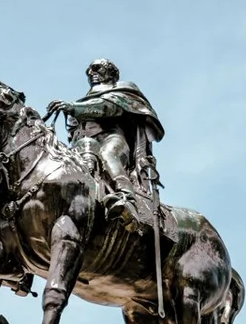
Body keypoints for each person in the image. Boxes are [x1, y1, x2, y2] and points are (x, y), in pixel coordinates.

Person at [47, 59, 164, 225]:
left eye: (97, 68)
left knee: (107, 154)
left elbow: (108, 107)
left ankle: (127, 199)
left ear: (111, 73)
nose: (91, 73)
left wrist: (74, 108)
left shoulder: (122, 90)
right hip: (85, 145)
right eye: (89, 71)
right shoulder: (83, 102)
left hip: (111, 138)